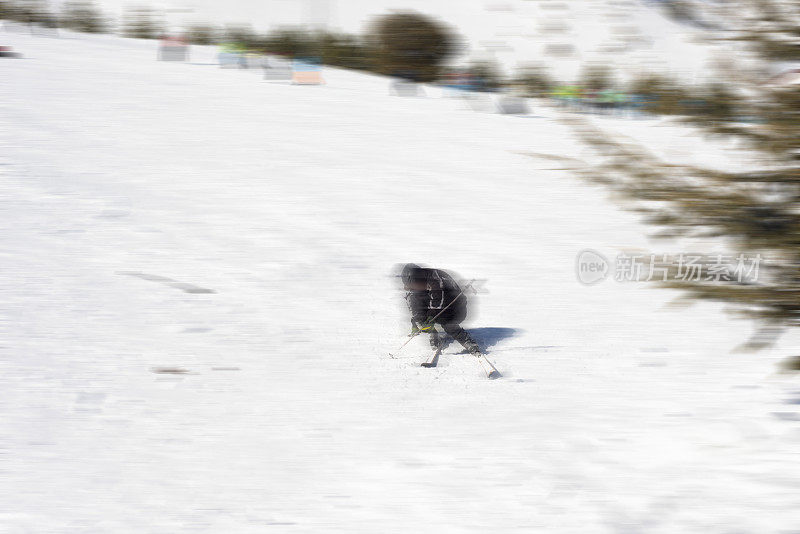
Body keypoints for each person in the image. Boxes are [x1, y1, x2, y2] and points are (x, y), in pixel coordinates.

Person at [400, 263, 481, 356]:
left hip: (455, 308)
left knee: (446, 321)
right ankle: (433, 333)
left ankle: (466, 340)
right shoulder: (419, 283)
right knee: (418, 309)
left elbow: (439, 298)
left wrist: (431, 315)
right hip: (438, 306)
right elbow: (414, 302)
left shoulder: (435, 279)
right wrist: (418, 320)